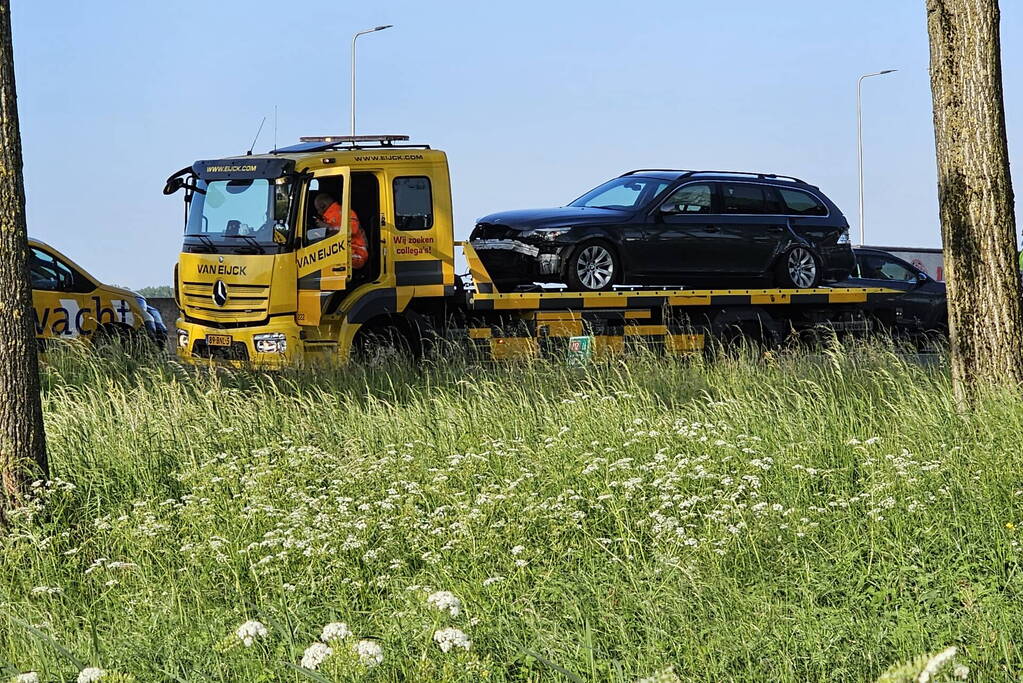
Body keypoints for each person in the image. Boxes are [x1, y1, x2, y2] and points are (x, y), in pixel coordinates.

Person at [310, 192, 368, 269]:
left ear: (322, 206)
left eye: (318, 209)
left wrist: (327, 227)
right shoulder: (328, 217)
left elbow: (352, 230)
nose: (318, 212)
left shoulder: (345, 212)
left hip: (356, 254)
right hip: (342, 251)